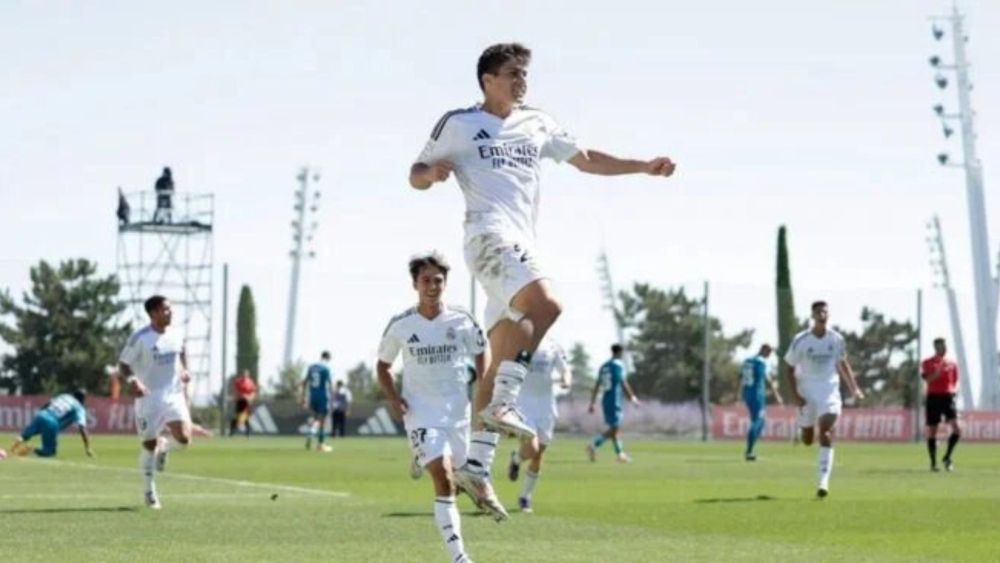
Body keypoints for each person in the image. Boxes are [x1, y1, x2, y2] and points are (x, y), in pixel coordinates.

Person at [409, 42, 676, 511]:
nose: (522, 81)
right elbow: (415, 173)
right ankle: (504, 405)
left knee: (493, 367)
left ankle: (476, 465)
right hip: (487, 239)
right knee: (548, 304)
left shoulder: (537, 122)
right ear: (488, 79)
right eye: (513, 73)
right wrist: (431, 174)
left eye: (525, 74)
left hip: (520, 248)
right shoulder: (461, 123)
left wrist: (642, 167)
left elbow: (586, 157)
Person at [376, 252, 488, 561]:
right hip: (420, 412)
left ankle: (420, 455)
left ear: (445, 284)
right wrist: (393, 397)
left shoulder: (462, 320)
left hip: (458, 413)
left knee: (464, 480)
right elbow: (383, 366)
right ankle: (459, 556)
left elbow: (481, 351)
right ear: (415, 284)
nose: (432, 286)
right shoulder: (401, 324)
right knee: (444, 478)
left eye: (438, 280)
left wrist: (483, 382)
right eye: (426, 280)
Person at [118, 295, 193, 510]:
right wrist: (133, 381)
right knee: (149, 445)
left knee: (185, 439)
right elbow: (123, 365)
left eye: (170, 309)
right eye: (165, 310)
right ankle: (149, 491)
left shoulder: (177, 333)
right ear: (153, 314)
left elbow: (182, 350)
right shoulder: (140, 338)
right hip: (148, 397)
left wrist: (185, 369)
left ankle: (165, 446)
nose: (170, 313)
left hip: (173, 394)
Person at [784, 301, 864, 498]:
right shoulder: (801, 340)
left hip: (829, 391)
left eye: (825, 311)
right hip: (806, 392)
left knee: (826, 432)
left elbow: (843, 364)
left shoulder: (836, 338)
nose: (822, 314)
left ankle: (823, 483)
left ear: (828, 315)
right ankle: (801, 429)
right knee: (808, 439)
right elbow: (789, 368)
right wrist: (795, 396)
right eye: (818, 311)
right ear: (813, 315)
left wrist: (854, 389)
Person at [506, 336, 571, 513]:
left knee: (538, 453)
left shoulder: (554, 345)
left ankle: (525, 496)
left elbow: (565, 369)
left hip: (546, 406)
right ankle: (516, 459)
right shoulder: (520, 342)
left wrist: (566, 379)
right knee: (532, 447)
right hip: (523, 405)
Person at [586, 344, 639, 463]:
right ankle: (593, 445)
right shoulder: (618, 365)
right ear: (620, 352)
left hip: (605, 399)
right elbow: (623, 382)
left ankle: (620, 454)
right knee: (615, 428)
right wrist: (632, 398)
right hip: (615, 400)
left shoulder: (604, 366)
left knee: (614, 429)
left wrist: (592, 403)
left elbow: (597, 385)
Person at [9, 391, 95, 458]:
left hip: (42, 414)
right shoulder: (79, 407)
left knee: (24, 436)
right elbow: (82, 427)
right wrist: (88, 447)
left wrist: (42, 413)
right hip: (52, 422)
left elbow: (49, 403)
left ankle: (11, 450)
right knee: (50, 452)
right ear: (83, 400)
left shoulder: (64, 396)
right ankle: (31, 449)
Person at [921, 337, 961, 472]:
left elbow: (955, 381)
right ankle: (933, 463)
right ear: (935, 348)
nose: (943, 349)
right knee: (933, 431)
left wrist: (955, 392)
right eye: (940, 347)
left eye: (944, 346)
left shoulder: (952, 364)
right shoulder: (928, 363)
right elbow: (929, 380)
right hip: (933, 397)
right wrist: (938, 371)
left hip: (947, 398)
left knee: (957, 429)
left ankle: (947, 457)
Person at [740, 344, 783, 461]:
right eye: (769, 352)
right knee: (759, 421)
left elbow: (742, 378)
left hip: (747, 393)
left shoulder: (747, 361)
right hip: (757, 395)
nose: (769, 355)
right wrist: (776, 395)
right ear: (763, 350)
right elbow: (767, 379)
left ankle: (750, 450)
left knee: (758, 421)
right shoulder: (760, 362)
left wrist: (739, 395)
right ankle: (749, 451)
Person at [300, 351, 334, 452]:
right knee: (322, 421)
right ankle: (320, 444)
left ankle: (311, 431)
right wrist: (331, 399)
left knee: (315, 418)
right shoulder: (326, 368)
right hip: (322, 396)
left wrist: (303, 397)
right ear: (328, 358)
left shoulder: (311, 367)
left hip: (312, 395)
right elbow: (330, 384)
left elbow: (305, 382)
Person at [230, 369, 258, 438]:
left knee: (246, 417)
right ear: (242, 374)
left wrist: (250, 397)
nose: (245, 375)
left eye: (246, 374)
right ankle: (232, 431)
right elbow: (235, 391)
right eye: (243, 373)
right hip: (240, 401)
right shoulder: (238, 382)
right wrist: (242, 395)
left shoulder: (250, 382)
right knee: (238, 417)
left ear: (248, 374)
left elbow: (253, 392)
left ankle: (247, 433)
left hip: (247, 402)